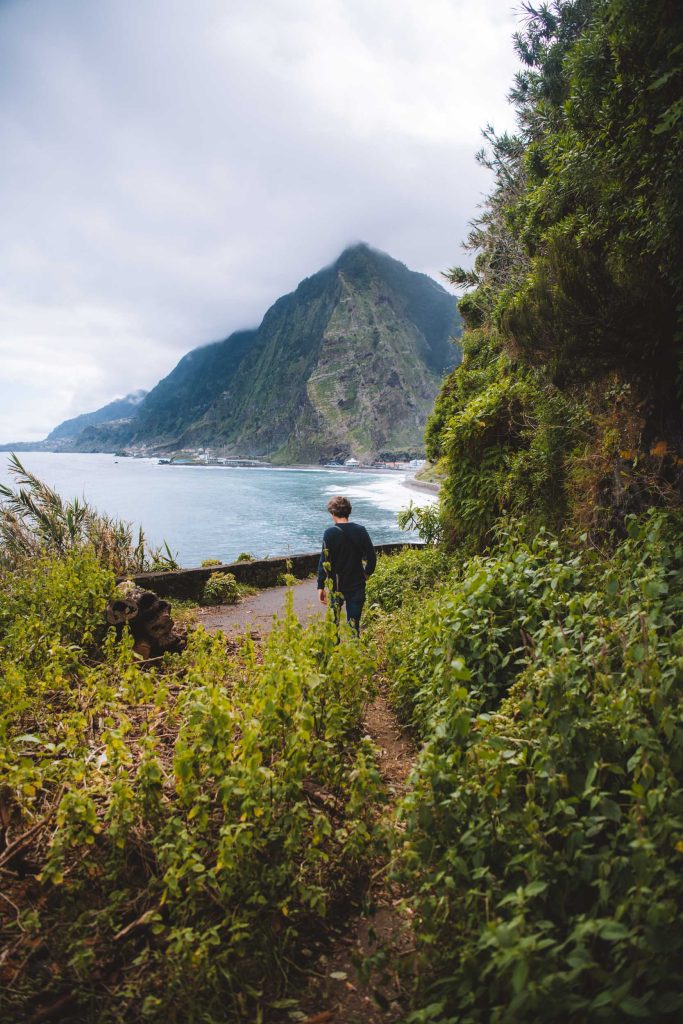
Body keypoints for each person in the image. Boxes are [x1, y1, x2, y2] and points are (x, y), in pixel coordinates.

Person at [317, 495, 376, 634]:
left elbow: (323, 561)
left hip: (336, 585)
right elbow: (372, 558)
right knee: (353, 628)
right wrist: (366, 574)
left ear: (332, 513)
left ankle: (334, 653)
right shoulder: (361, 530)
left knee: (333, 626)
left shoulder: (330, 533)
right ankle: (354, 654)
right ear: (349, 511)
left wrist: (320, 586)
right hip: (357, 585)